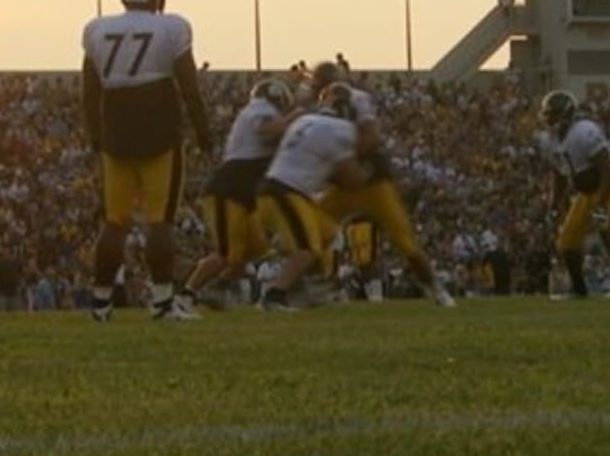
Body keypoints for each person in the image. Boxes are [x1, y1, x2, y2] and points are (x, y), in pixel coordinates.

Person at [81, 0, 212, 322]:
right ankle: (162, 301)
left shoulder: (97, 29)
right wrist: (203, 131)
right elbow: (189, 86)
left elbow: (90, 93)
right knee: (160, 222)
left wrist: (96, 138)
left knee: (114, 222)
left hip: (115, 134)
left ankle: (101, 303)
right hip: (159, 132)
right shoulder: (171, 27)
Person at [308, 62, 455, 308]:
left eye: (317, 83)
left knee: (402, 238)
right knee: (312, 231)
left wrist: (345, 160)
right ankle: (319, 287)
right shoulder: (322, 106)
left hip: (370, 179)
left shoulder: (354, 99)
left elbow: (371, 136)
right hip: (344, 183)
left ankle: (436, 289)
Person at [178, 78, 299, 311]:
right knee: (225, 253)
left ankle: (219, 288)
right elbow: (270, 129)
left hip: (243, 194)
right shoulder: (259, 109)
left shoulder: (260, 111)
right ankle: (186, 295)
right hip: (228, 190)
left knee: (256, 246)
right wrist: (298, 116)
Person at [256, 83, 368, 311]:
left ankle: (305, 285)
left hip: (277, 188)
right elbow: (351, 178)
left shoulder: (305, 120)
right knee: (309, 246)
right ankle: (274, 296)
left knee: (327, 231)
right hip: (286, 191)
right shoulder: (339, 128)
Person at [537, 90, 610, 300]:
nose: (549, 119)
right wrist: (554, 205)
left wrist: (601, 205)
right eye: (547, 114)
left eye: (553, 114)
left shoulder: (583, 131)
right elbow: (560, 175)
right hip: (588, 190)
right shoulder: (549, 141)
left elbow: (608, 170)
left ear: (565, 114)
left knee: (605, 223)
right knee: (566, 241)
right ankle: (579, 288)